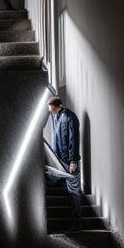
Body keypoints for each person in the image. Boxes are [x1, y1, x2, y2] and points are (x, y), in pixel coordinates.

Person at [47, 96, 83, 231]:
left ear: (53, 106)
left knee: (73, 191)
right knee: (51, 178)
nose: (48, 110)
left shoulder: (70, 117)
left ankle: (76, 223)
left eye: (49, 107)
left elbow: (74, 139)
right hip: (61, 160)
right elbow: (57, 139)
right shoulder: (56, 117)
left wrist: (73, 161)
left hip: (70, 161)